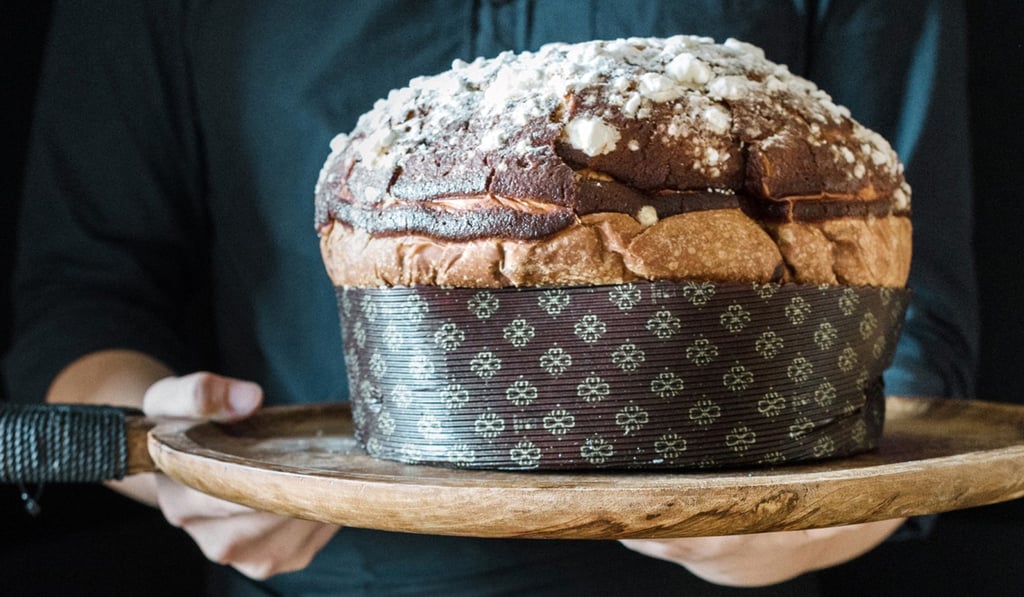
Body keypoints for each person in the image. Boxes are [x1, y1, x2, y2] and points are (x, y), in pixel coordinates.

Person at [4, 1, 977, 595]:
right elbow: (80, 301)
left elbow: (908, 320)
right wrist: (176, 455)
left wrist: (821, 518)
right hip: (331, 583)